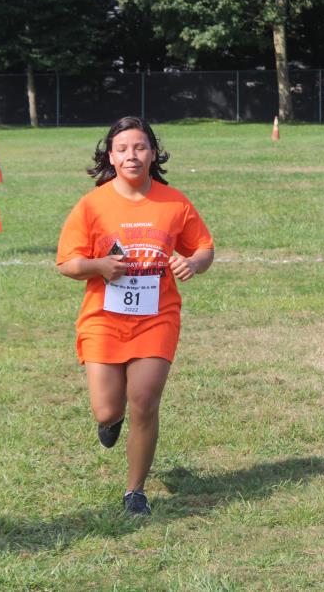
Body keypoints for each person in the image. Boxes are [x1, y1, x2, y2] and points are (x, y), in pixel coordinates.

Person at [56, 116, 215, 517]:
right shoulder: (92, 205)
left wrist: (193, 263)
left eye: (140, 147)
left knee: (144, 400)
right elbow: (67, 263)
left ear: (153, 154)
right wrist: (99, 266)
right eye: (123, 149)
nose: (132, 155)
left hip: (157, 316)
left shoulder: (174, 202)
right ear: (110, 156)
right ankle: (110, 422)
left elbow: (204, 249)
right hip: (104, 319)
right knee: (108, 409)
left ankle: (135, 491)